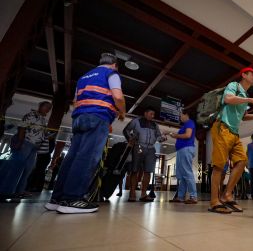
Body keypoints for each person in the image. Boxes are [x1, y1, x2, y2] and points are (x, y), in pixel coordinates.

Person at [45, 53, 126, 214]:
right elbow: (117, 95)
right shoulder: (111, 73)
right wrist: (122, 112)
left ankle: (57, 198)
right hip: (98, 117)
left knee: (72, 157)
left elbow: (76, 101)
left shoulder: (84, 77)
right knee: (87, 157)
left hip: (80, 118)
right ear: (115, 64)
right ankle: (72, 199)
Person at [209, 67, 253, 214]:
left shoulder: (245, 94)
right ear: (244, 75)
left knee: (242, 161)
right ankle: (214, 201)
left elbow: (243, 116)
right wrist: (250, 100)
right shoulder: (234, 86)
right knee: (219, 165)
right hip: (222, 127)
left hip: (234, 131)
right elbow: (228, 99)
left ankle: (226, 195)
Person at [0, 101, 52, 199]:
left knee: (28, 169)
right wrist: (20, 141)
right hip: (26, 143)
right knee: (16, 167)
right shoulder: (30, 115)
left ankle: (19, 190)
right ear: (40, 106)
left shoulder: (42, 119)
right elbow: (22, 127)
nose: (48, 109)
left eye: (50, 108)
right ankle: (7, 190)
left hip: (34, 148)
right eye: (47, 107)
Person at [123, 106, 166, 202]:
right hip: (138, 147)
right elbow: (126, 130)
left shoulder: (155, 125)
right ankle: (132, 193)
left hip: (151, 148)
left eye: (153, 114)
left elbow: (158, 137)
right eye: (151, 114)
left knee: (148, 171)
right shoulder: (136, 121)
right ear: (145, 113)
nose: (153, 116)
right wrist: (130, 139)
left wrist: (163, 138)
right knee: (135, 170)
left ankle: (143, 194)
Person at [168, 110, 197, 204]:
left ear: (186, 114)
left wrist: (175, 135)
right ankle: (180, 197)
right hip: (181, 150)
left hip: (186, 149)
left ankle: (193, 196)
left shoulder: (189, 122)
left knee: (187, 172)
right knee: (182, 175)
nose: (180, 117)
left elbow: (188, 135)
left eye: (181, 115)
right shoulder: (185, 125)